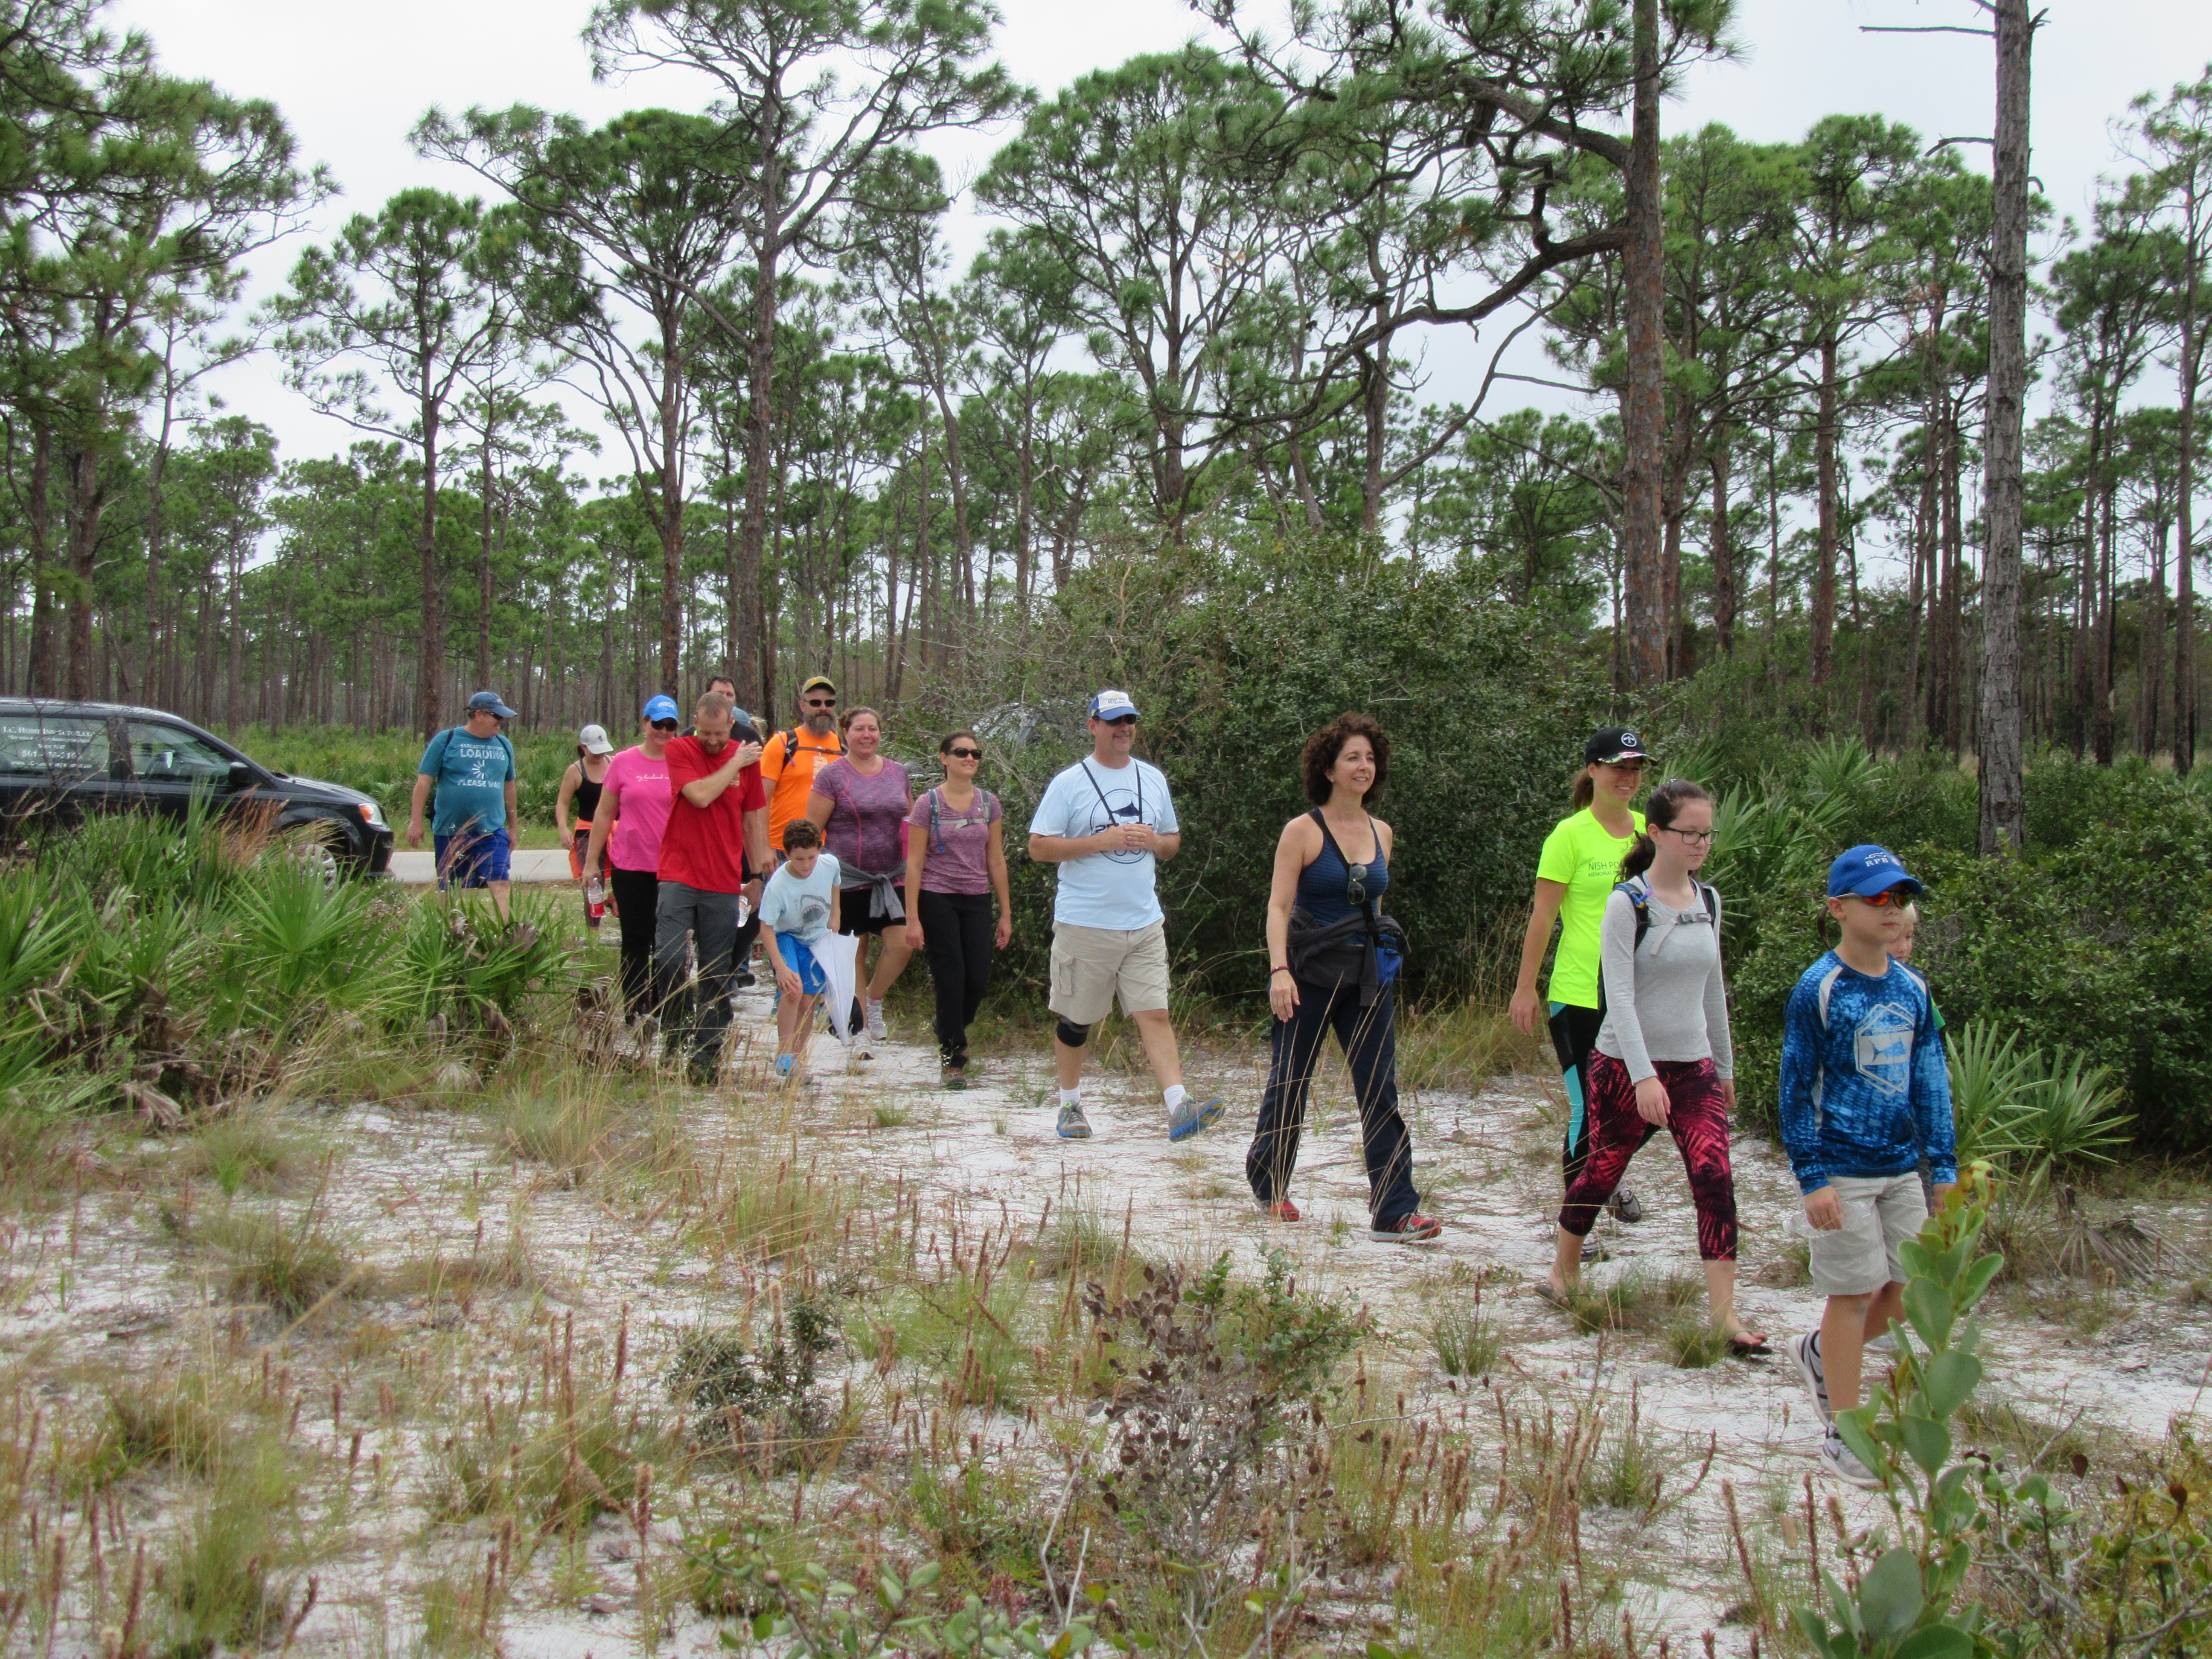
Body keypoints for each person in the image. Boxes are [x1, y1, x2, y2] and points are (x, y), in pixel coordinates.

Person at [1541, 780, 1763, 1347]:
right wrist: (1642, 1077)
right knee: (1602, 1171)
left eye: (1708, 834)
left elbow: (1713, 989)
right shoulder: (1628, 903)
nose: (1701, 844)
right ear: (1657, 833)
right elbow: (1621, 997)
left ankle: (1723, 1314)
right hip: (1623, 1066)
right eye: (1690, 833)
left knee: (1715, 1179)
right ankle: (1564, 1269)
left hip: (1694, 1067)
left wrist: (1727, 1067)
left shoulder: (1709, 902)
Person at [1780, 844, 1957, 1488]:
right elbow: (1796, 1088)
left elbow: (1931, 1080)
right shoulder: (1818, 989)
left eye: (1902, 898)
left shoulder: (1912, 988)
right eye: (1879, 899)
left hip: (1901, 1167)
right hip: (1843, 1170)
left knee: (1912, 1290)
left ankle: (1822, 1352)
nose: (1894, 910)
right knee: (1852, 1294)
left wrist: (1944, 1167)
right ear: (1839, 908)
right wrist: (1813, 1177)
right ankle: (1846, 1431)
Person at [1246, 713, 1440, 1243]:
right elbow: (1278, 906)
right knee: (1291, 1082)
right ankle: (1270, 1184)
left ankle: (1394, 1211)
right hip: (1307, 974)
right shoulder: (1302, 831)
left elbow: (1373, 905)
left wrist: (1382, 956)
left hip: (1367, 979)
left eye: (1371, 758)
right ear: (1328, 768)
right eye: (1353, 757)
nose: (1364, 767)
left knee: (1380, 1090)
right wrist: (1279, 971)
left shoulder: (1383, 833)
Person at [1027, 689, 1221, 1143]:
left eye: (1129, 720)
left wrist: (1152, 841)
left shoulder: (1152, 779)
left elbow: (1172, 842)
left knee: (1155, 1013)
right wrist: (1102, 840)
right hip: (1085, 924)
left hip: (1143, 923)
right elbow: (1038, 847)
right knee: (1077, 1021)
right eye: (1114, 721)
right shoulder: (1070, 783)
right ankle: (1070, 1105)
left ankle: (1179, 1107)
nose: (1124, 728)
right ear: (1093, 725)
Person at [1511, 728, 1655, 1250]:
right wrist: (1526, 987)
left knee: (1644, 1103)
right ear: (1593, 770)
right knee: (1587, 1109)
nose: (1628, 777)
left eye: (1637, 767)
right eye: (1619, 766)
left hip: (1638, 993)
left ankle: (1605, 1175)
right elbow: (1543, 917)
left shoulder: (1648, 832)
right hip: (1579, 992)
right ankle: (1577, 1220)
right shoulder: (1568, 836)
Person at [652, 693, 768, 1085]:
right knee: (668, 958)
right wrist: (735, 762)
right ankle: (674, 1032)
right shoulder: (681, 750)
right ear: (696, 723)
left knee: (716, 971)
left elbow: (753, 819)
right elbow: (699, 796)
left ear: (731, 726)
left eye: (721, 734)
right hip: (678, 873)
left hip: (723, 879)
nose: (714, 741)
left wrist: (756, 877)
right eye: (706, 732)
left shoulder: (747, 759)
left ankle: (706, 1058)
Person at [903, 730, 1013, 1089]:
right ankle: (954, 1059)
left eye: (976, 754)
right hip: (937, 898)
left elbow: (996, 859)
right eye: (962, 752)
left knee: (977, 978)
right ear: (944, 758)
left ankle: (946, 1024)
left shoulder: (989, 803)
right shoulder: (928, 804)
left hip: (977, 898)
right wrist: (913, 918)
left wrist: (1006, 913)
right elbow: (915, 864)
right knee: (950, 976)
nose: (970, 759)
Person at [806, 707, 914, 1043]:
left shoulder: (898, 773)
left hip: (892, 876)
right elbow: (811, 829)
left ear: (881, 733)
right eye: (859, 729)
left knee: (903, 944)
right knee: (855, 952)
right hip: (848, 877)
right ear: (845, 734)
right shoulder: (832, 776)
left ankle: (874, 999)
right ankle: (859, 1028)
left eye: (873, 729)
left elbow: (910, 823)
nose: (867, 735)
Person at [584, 697, 678, 1024]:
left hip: (673, 867)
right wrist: (591, 863)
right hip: (631, 864)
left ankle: (667, 1006)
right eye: (658, 724)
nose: (664, 732)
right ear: (644, 723)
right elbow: (604, 813)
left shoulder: (682, 762)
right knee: (636, 938)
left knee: (667, 941)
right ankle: (636, 1008)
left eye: (671, 726)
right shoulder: (623, 762)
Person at [409, 690, 521, 920]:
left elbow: (509, 787)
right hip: (451, 830)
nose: (501, 722)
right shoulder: (447, 740)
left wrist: (513, 827)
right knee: (452, 887)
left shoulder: (503, 744)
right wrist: (416, 822)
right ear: (478, 715)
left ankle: (507, 931)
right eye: (496, 717)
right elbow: (424, 782)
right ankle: (452, 932)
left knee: (500, 879)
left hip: (491, 829)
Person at [696, 674, 766, 987]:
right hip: (704, 840)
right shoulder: (690, 739)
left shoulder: (748, 735)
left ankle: (733, 967)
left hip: (741, 837)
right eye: (719, 694)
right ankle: (714, 971)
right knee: (710, 909)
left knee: (750, 909)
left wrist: (762, 847)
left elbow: (755, 801)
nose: (726, 698)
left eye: (730, 693)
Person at [759, 818, 841, 1083]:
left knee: (808, 1002)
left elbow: (835, 882)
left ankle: (796, 1058)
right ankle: (783, 1054)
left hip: (816, 938)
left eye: (811, 858)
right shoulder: (778, 885)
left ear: (820, 850)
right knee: (792, 991)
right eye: (799, 859)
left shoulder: (830, 864)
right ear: (786, 855)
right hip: (787, 937)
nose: (806, 866)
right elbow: (767, 928)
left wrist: (836, 914)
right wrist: (780, 967)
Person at [760, 675, 845, 859]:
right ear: (803, 706)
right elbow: (760, 801)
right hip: (782, 850)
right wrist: (764, 850)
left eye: (829, 703)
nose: (823, 708)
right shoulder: (783, 743)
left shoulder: (843, 748)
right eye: (816, 703)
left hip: (827, 851)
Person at [557, 724, 616, 932]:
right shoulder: (575, 771)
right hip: (587, 832)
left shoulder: (613, 763)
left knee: (623, 878)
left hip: (616, 830)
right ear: (583, 747)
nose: (600, 755)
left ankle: (617, 905)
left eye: (603, 750)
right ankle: (594, 933)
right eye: (595, 751)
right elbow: (563, 803)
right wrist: (563, 829)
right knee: (593, 882)